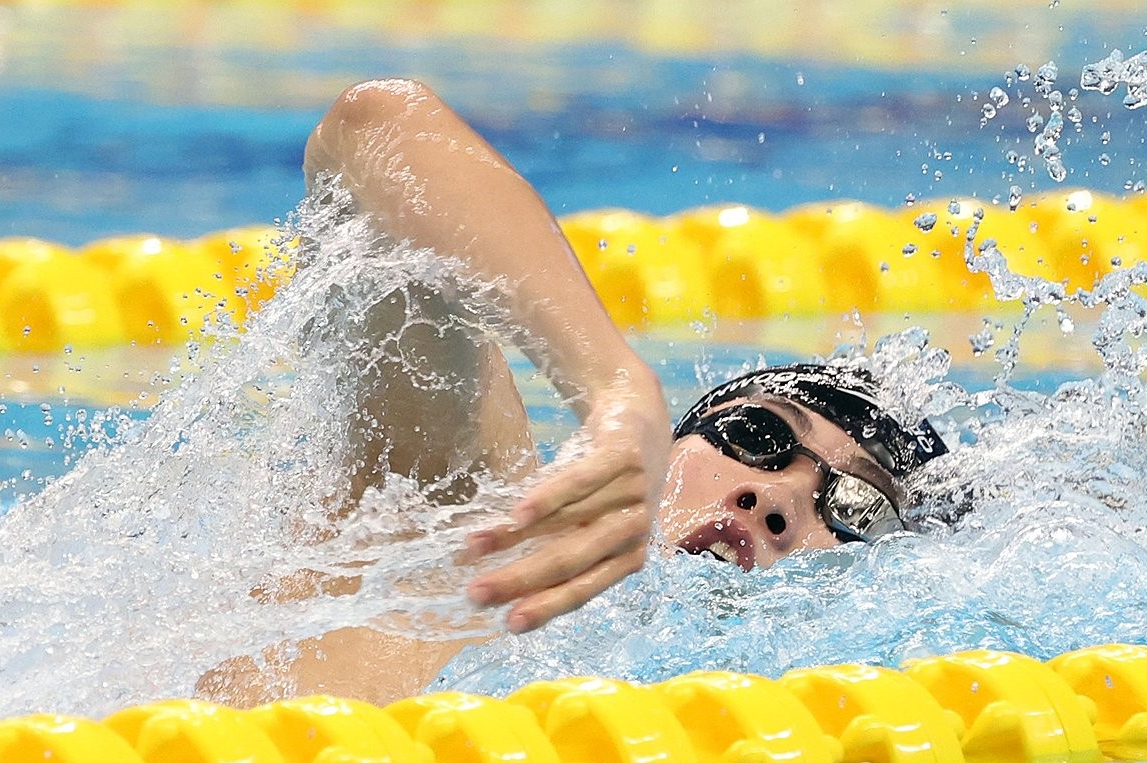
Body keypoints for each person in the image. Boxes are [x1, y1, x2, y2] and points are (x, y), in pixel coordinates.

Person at [196, 78, 946, 706]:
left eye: (854, 508)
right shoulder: (466, 535)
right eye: (756, 437)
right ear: (669, 443)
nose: (774, 499)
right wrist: (613, 386)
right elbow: (372, 128)